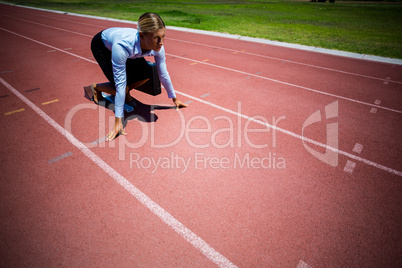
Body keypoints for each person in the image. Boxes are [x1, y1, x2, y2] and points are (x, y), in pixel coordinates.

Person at [89, 12, 188, 141]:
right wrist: (119, 121)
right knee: (121, 87)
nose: (161, 42)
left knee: (147, 75)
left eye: (163, 36)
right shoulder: (122, 46)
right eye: (156, 38)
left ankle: (127, 94)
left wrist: (174, 98)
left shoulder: (157, 46)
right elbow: (120, 84)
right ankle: (96, 88)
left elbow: (163, 74)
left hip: (133, 49)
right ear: (142, 35)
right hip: (103, 47)